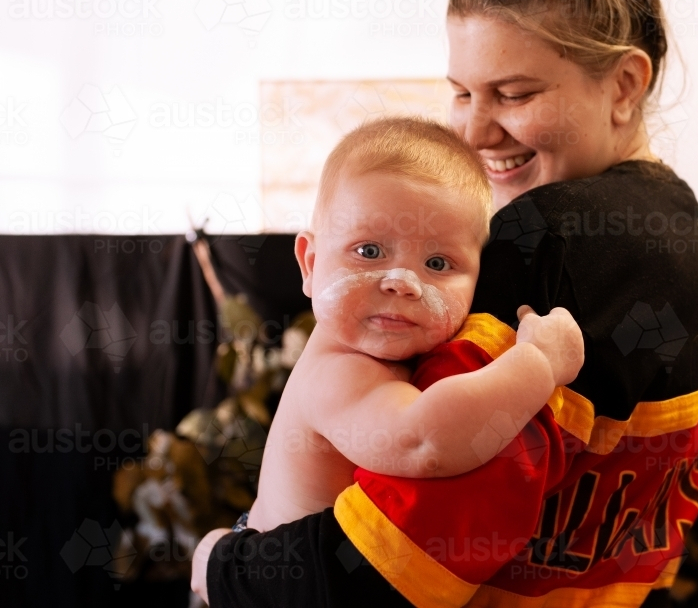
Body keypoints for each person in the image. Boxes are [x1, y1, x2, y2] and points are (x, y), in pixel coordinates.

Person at [193, 0, 698, 606]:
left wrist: (222, 564)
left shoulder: (548, 242)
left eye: (514, 94)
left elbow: (389, 569)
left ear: (625, 85)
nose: (475, 132)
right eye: (461, 92)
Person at [244, 116, 584, 533]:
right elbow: (424, 442)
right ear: (310, 265)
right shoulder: (338, 372)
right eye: (369, 251)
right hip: (276, 569)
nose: (403, 282)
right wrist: (540, 362)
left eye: (437, 263)